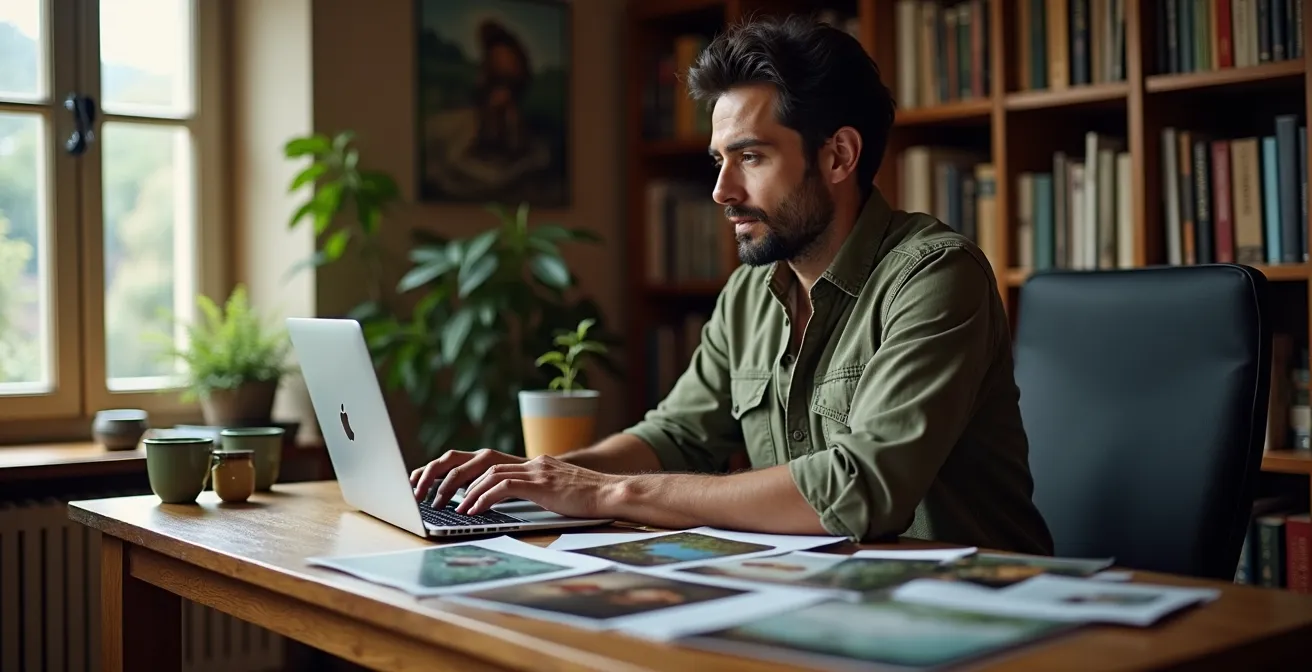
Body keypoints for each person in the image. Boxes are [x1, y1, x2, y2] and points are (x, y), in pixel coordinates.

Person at [410, 14, 1054, 555]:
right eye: (720, 161)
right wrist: (534, 479)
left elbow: (862, 489)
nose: (722, 191)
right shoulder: (751, 294)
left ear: (838, 156)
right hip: (821, 600)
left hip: (977, 609)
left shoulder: (936, 276)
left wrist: (608, 494)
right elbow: (675, 436)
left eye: (750, 157)